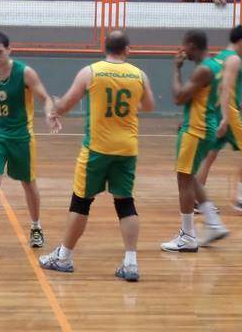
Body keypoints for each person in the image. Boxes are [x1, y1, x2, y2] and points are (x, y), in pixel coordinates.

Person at [39, 30, 155, 282]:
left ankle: (64, 257)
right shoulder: (139, 75)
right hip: (127, 148)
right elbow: (148, 106)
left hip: (97, 149)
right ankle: (131, 263)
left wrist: (54, 107)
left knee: (81, 202)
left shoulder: (91, 72)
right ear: (127, 49)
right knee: (125, 203)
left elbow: (67, 105)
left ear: (105, 47)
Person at [0, 32, 60, 258]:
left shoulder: (24, 72)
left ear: (9, 50)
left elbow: (45, 97)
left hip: (21, 138)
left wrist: (50, 114)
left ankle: (36, 225)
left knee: (28, 184)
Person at [161, 30, 229, 253]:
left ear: (191, 45)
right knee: (191, 177)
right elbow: (205, 99)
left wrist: (176, 69)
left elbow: (178, 97)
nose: (182, 50)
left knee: (184, 180)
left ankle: (188, 236)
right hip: (204, 124)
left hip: (196, 130)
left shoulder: (203, 70)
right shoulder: (217, 66)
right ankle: (214, 223)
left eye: (184, 46)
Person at [195, 25, 242, 216]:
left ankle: (196, 200)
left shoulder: (219, 57)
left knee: (210, 155)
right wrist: (227, 118)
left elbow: (219, 87)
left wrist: (241, 105)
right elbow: (226, 88)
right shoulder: (234, 59)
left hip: (216, 110)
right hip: (228, 114)